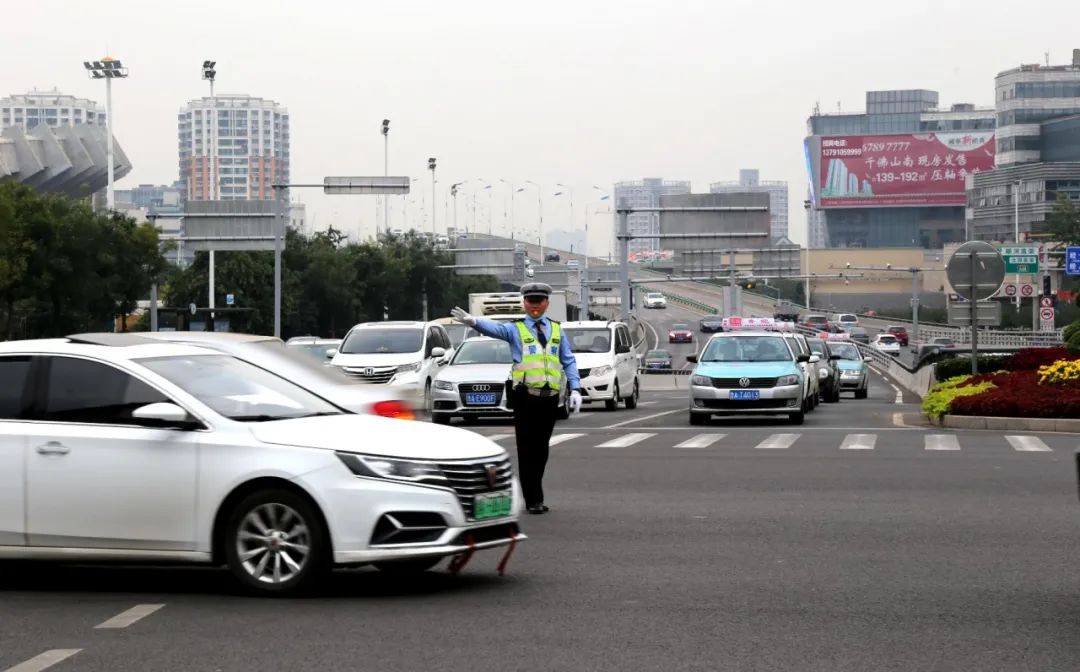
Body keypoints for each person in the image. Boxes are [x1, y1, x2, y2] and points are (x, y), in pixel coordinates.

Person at [451, 283, 581, 515]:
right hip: (525, 397)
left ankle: (535, 494)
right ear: (524, 303)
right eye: (531, 301)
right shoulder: (515, 329)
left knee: (541, 449)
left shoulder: (556, 329)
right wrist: (474, 321)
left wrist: (577, 388)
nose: (535, 306)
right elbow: (495, 329)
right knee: (527, 449)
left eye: (539, 301)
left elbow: (568, 360)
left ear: (546, 303)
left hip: (550, 398)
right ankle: (533, 499)